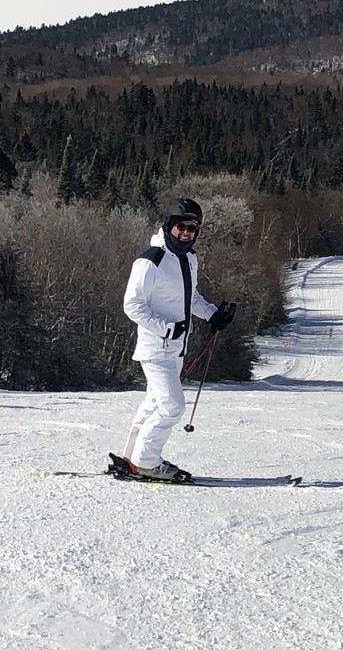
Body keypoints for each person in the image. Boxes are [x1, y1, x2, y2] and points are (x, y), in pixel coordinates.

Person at [119, 197, 236, 480]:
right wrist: (166, 328)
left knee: (154, 403)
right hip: (156, 348)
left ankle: (131, 458)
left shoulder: (189, 259)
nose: (186, 233)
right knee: (172, 406)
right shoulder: (151, 260)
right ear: (169, 226)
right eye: (180, 226)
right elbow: (132, 305)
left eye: (192, 228)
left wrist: (212, 315)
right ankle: (146, 462)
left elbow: (189, 297)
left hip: (176, 349)